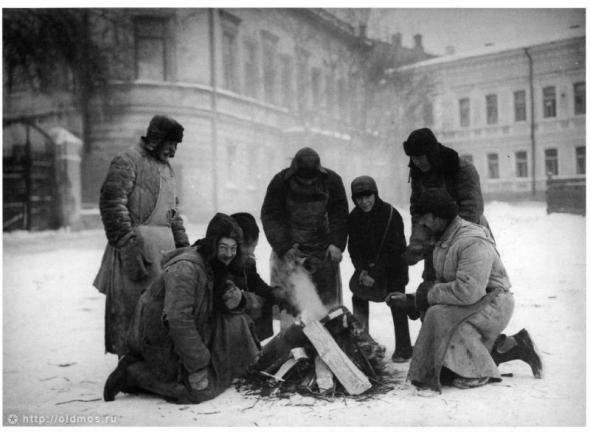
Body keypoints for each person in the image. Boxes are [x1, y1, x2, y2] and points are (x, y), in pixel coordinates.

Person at [103, 213, 260, 404]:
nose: (229, 254)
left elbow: (223, 303)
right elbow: (178, 319)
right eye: (223, 247)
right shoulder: (186, 268)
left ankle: (168, 373)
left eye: (234, 248)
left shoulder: (215, 265)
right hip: (157, 339)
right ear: (212, 245)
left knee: (224, 370)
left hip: (182, 335)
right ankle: (132, 373)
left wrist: (239, 300)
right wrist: (198, 365)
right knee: (198, 393)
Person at [396, 189, 542, 392]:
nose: (422, 223)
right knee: (436, 314)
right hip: (474, 301)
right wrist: (414, 299)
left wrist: (429, 295)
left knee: (442, 318)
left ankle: (478, 371)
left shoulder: (471, 241)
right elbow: (444, 282)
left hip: (494, 302)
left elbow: (468, 291)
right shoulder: (445, 238)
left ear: (438, 217)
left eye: (425, 217)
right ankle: (514, 345)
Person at [94, 115, 189, 356]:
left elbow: (173, 212)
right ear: (156, 139)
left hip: (163, 254)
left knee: (158, 310)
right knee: (131, 310)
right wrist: (127, 244)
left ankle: (153, 366)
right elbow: (112, 203)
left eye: (176, 145)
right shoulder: (127, 161)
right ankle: (129, 366)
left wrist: (183, 246)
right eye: (171, 143)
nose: (174, 151)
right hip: (136, 251)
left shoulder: (167, 168)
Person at [261, 147, 348, 311]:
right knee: (291, 307)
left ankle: (325, 336)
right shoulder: (280, 182)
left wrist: (336, 244)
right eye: (303, 179)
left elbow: (339, 215)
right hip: (290, 250)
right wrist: (284, 247)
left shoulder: (332, 180)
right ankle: (291, 334)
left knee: (327, 309)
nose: (308, 183)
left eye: (312, 179)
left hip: (323, 250)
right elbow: (271, 216)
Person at [402, 128, 488, 281]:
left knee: (469, 284)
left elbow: (472, 210)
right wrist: (417, 244)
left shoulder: (462, 169)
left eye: (421, 157)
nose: (417, 162)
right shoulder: (418, 173)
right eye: (413, 158)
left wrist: (444, 240)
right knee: (431, 284)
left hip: (468, 235)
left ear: (432, 153)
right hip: (435, 236)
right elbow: (418, 211)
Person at [347, 176, 412, 362]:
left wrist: (375, 274)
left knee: (396, 299)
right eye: (359, 198)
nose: (364, 202)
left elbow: (395, 250)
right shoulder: (353, 218)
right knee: (358, 295)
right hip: (367, 270)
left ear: (375, 194)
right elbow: (354, 248)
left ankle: (404, 347)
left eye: (368, 196)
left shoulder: (391, 214)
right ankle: (363, 342)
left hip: (393, 268)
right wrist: (361, 270)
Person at [229, 212, 296, 340]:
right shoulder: (222, 260)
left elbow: (254, 282)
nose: (250, 251)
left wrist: (274, 293)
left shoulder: (246, 261)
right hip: (222, 324)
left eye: (253, 246)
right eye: (246, 245)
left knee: (267, 300)